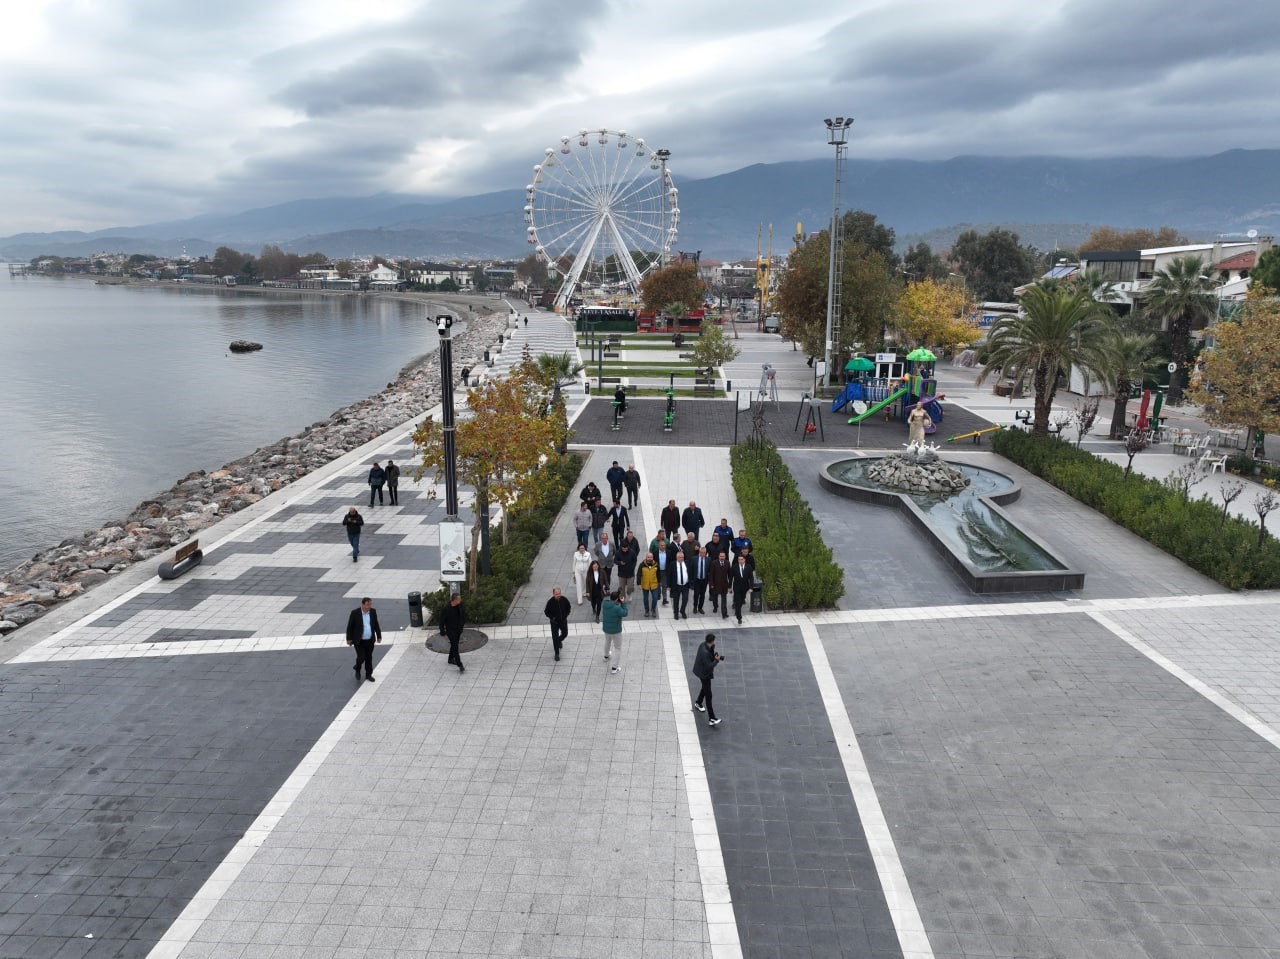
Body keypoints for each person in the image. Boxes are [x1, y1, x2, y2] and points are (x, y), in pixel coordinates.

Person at [345, 597, 382, 682]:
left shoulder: (373, 612)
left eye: (370, 604)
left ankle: (368, 674)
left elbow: (376, 624)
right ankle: (357, 668)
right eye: (367, 604)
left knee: (369, 658)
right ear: (362, 604)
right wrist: (349, 638)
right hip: (359, 641)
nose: (369, 606)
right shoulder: (355, 613)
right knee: (361, 657)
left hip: (370, 640)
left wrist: (379, 636)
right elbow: (350, 627)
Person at [692, 633, 723, 726]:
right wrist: (717, 660)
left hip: (701, 671)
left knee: (704, 688)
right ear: (712, 641)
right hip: (704, 674)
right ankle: (712, 718)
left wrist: (715, 655)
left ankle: (698, 703)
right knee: (708, 696)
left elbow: (710, 654)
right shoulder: (704, 652)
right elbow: (709, 666)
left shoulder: (703, 644)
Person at [601, 590, 628, 674]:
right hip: (616, 631)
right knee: (618, 648)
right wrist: (623, 603)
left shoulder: (605, 604)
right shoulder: (617, 608)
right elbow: (625, 613)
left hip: (606, 629)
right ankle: (614, 667)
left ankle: (606, 656)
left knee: (607, 642)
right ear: (617, 599)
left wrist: (617, 602)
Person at [439, 592, 466, 671]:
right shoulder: (446, 609)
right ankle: (459, 664)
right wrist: (442, 631)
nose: (460, 600)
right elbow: (441, 621)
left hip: (458, 630)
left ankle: (450, 659)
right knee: (455, 647)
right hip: (451, 631)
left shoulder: (460, 606)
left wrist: (462, 625)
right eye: (459, 599)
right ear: (454, 600)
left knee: (454, 645)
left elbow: (463, 616)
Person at [544, 587, 571, 661]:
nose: (558, 595)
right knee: (555, 637)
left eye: (559, 593)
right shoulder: (550, 602)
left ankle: (559, 640)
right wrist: (552, 618)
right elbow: (546, 612)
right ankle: (557, 654)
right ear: (553, 594)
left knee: (565, 633)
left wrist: (566, 615)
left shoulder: (564, 600)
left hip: (563, 621)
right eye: (556, 594)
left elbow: (569, 608)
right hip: (554, 623)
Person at [729, 553, 754, 625]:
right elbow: (731, 578)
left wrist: (750, 587)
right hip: (737, 587)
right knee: (737, 601)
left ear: (744, 560)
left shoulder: (748, 567)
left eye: (741, 559)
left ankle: (737, 611)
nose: (740, 561)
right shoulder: (734, 567)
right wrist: (729, 587)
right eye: (739, 560)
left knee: (741, 600)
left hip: (745, 587)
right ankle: (739, 618)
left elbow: (751, 578)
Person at [615, 531, 639, 601]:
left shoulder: (632, 552)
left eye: (626, 548)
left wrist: (633, 566)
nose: (625, 549)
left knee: (630, 587)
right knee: (622, 587)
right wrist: (620, 563)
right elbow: (615, 560)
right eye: (623, 548)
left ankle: (629, 594)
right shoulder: (618, 553)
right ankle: (622, 597)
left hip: (630, 572)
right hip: (621, 572)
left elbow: (635, 560)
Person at [668, 548, 691, 620]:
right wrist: (669, 586)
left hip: (685, 585)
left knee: (685, 599)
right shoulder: (672, 564)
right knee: (676, 600)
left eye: (682, 557)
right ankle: (676, 613)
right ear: (676, 557)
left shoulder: (687, 563)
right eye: (680, 557)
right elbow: (669, 575)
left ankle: (682, 610)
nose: (681, 559)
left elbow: (690, 572)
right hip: (676, 586)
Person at [638, 553, 661, 619]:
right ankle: (647, 610)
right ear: (646, 557)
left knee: (655, 598)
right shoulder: (642, 565)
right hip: (645, 584)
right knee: (645, 598)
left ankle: (653, 609)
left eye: (651, 557)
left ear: (653, 557)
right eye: (648, 557)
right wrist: (639, 583)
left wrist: (659, 582)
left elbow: (658, 574)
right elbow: (639, 574)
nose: (649, 558)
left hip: (654, 584)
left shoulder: (656, 564)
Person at [709, 551, 731, 618]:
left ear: (725, 557)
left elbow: (729, 574)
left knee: (724, 600)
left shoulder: (727, 563)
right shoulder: (714, 563)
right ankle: (715, 607)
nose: (722, 557)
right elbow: (711, 574)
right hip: (716, 584)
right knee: (715, 597)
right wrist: (711, 584)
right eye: (721, 556)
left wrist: (730, 585)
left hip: (724, 584)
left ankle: (724, 613)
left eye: (723, 556)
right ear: (718, 556)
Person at [690, 547, 710, 614]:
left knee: (702, 595)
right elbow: (691, 569)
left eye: (704, 553)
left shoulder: (708, 559)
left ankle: (700, 608)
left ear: (705, 553)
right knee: (696, 594)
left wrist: (708, 578)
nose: (702, 554)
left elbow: (710, 570)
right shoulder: (694, 559)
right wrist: (691, 580)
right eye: (701, 552)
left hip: (704, 580)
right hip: (697, 580)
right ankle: (695, 607)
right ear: (699, 552)